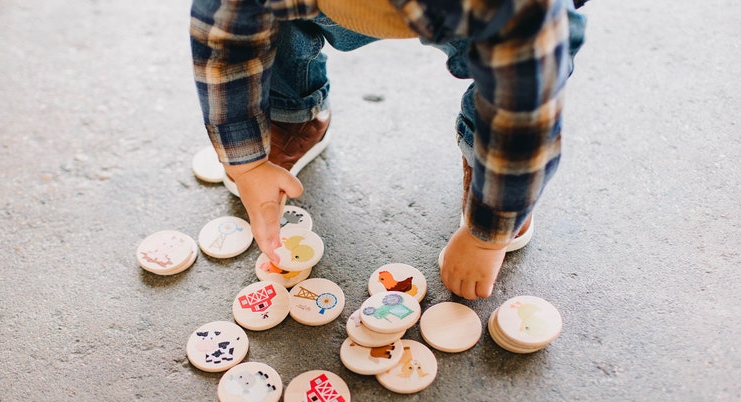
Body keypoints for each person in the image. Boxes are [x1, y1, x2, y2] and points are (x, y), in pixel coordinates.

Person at [190, 0, 587, 299]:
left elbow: (527, 105)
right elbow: (226, 40)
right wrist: (248, 162)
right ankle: (292, 111)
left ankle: (486, 159)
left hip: (497, 24)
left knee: (511, 90)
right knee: (261, 20)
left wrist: (489, 232)